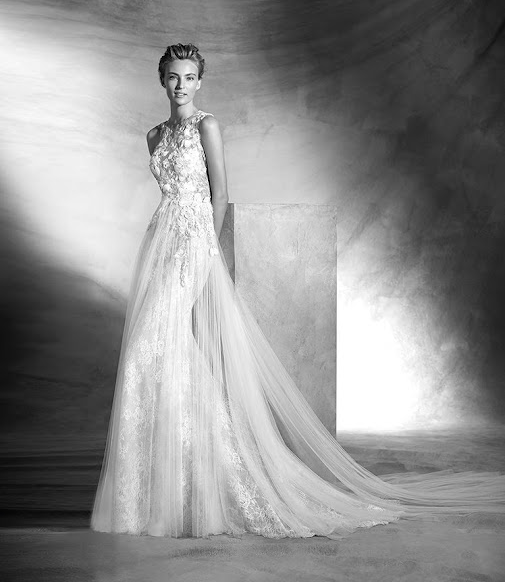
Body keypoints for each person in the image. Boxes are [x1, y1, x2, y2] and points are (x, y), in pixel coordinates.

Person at [90, 43, 505, 539]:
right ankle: (163, 494)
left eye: (190, 77)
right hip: (161, 246)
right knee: (155, 358)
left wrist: (207, 258)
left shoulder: (207, 127)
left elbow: (220, 195)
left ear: (200, 81)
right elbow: (169, 198)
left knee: (159, 352)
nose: (181, 85)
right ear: (162, 80)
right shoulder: (154, 136)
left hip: (194, 247)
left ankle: (214, 483)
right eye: (174, 77)